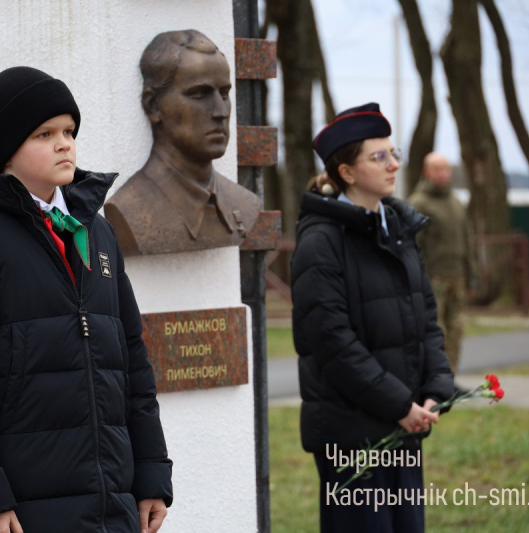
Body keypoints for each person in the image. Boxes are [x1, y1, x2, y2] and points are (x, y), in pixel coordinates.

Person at [0, 66, 173, 533]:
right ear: (7, 148)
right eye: (44, 133)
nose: (64, 144)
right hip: (24, 507)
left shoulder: (96, 231)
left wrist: (152, 474)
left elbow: (133, 362)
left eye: (69, 131)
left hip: (111, 501)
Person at [290, 103, 454, 532]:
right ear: (346, 172)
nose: (394, 164)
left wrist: (435, 389)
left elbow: (427, 321)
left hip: (403, 427)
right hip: (351, 436)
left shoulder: (398, 229)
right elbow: (333, 343)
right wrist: (400, 405)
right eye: (378, 157)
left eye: (393, 152)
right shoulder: (320, 242)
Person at [105, 29, 262, 256]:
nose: (221, 112)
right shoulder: (127, 211)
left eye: (225, 94)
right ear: (153, 106)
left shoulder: (245, 203)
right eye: (199, 94)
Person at [408, 152, 474, 374]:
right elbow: (413, 246)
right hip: (432, 279)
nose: (443, 174)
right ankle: (431, 377)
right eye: (437, 169)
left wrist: (471, 274)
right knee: (434, 331)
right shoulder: (419, 203)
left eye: (446, 168)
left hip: (456, 275)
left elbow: (467, 239)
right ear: (427, 172)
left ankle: (450, 376)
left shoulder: (456, 203)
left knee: (456, 329)